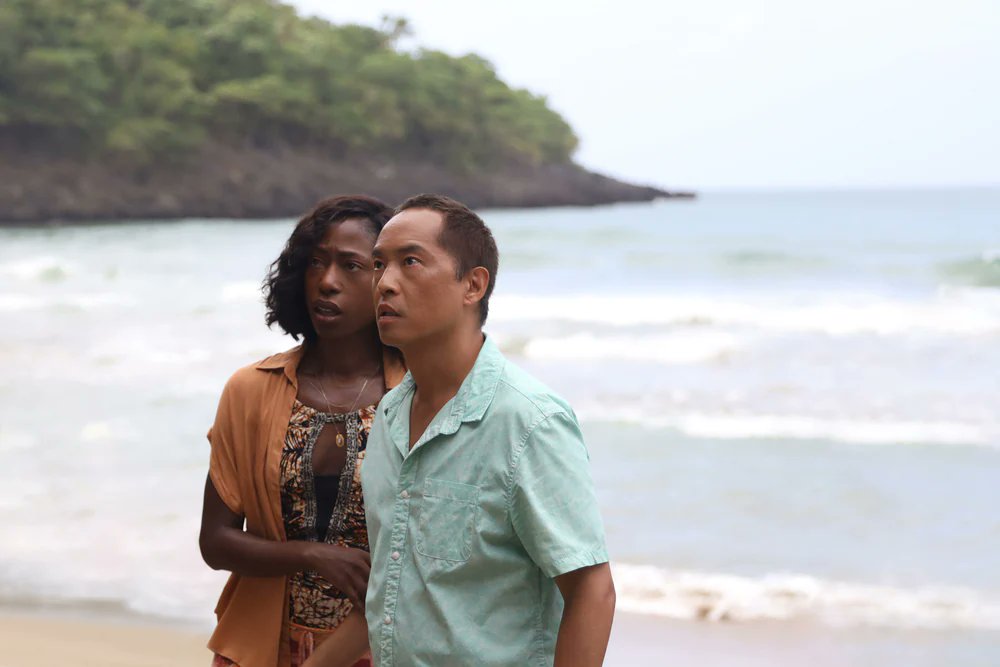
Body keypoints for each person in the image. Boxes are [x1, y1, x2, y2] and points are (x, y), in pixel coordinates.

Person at [359, 194, 616, 666]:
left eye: (410, 261)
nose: (385, 283)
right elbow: (393, 587)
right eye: (379, 264)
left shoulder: (529, 421)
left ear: (473, 285)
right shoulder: (390, 415)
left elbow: (592, 590)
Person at [199, 195, 405, 667]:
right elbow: (215, 541)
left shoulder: (418, 395)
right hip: (259, 647)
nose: (327, 281)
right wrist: (311, 555)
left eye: (351, 266)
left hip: (382, 650)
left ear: (387, 281)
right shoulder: (251, 390)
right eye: (316, 262)